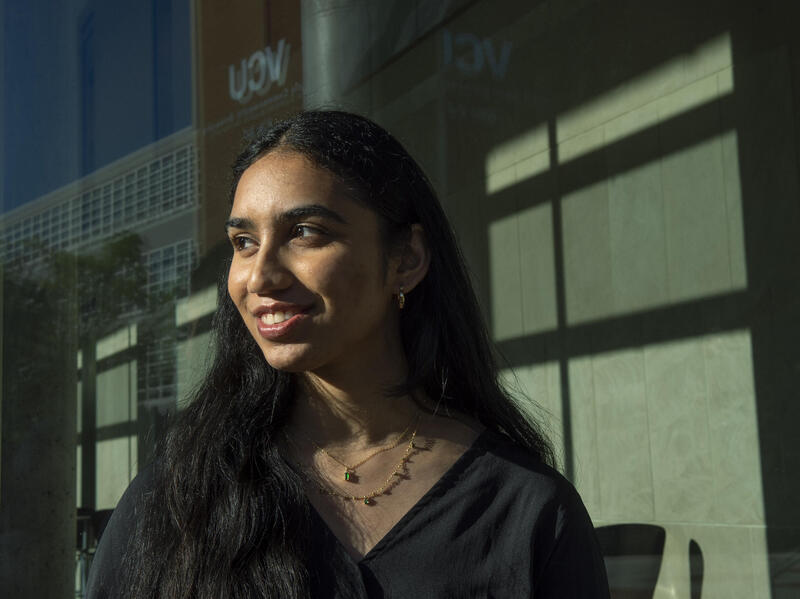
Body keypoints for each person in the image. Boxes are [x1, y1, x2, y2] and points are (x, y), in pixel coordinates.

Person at [86, 110, 609, 598]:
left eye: (305, 232)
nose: (259, 276)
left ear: (406, 258)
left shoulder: (527, 509)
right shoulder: (181, 495)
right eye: (243, 242)